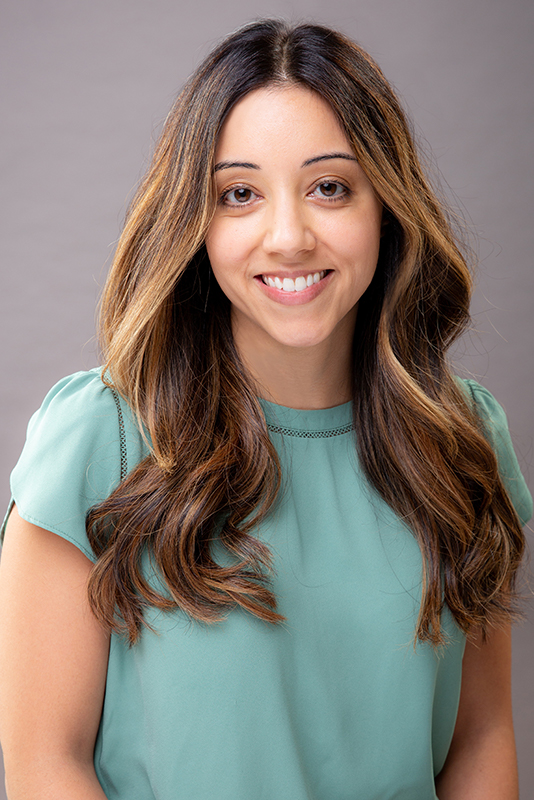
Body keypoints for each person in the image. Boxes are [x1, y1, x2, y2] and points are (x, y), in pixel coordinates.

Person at [0, 18, 531, 800]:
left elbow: (480, 739)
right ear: (196, 222)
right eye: (239, 194)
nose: (288, 236)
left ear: (384, 205)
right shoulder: (99, 439)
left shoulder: (462, 439)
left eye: (329, 187)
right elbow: (48, 761)